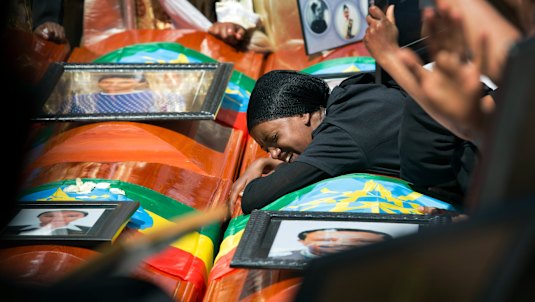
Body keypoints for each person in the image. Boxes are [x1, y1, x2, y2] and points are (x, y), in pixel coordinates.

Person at [229, 70, 408, 214]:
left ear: (302, 114)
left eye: (274, 138)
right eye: (267, 150)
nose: (274, 153)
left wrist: (257, 170)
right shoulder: (347, 94)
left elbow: (254, 198)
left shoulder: (339, 133)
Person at [65, 74, 185, 114]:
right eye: (108, 83)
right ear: (99, 84)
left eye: (123, 83)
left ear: (138, 84)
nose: (113, 87)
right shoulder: (80, 101)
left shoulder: (165, 98)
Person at [272, 228, 392, 260]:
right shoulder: (280, 255)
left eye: (360, 242)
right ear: (302, 242)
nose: (341, 243)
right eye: (327, 239)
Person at [4, 210, 90, 236]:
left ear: (81, 217)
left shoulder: (88, 231)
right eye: (49, 216)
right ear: (39, 217)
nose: (58, 219)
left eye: (71, 216)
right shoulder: (9, 230)